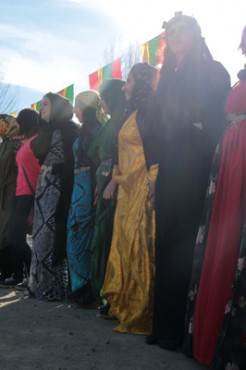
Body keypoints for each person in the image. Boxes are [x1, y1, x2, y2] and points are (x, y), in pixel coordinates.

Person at [184, 16, 246, 369]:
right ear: (241, 43)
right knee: (224, 246)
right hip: (228, 171)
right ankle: (212, 340)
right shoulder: (244, 78)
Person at [149, 13, 231, 351]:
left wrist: (193, 128)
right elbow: (156, 129)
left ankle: (184, 329)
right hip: (170, 167)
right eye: (173, 31)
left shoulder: (213, 70)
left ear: (197, 36)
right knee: (165, 241)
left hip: (198, 164)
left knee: (187, 243)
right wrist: (156, 173)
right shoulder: (165, 78)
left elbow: (218, 120)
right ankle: (162, 324)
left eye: (185, 30)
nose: (178, 35)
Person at [101, 63, 159, 335]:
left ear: (143, 83)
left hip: (142, 189)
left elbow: (156, 150)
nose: (125, 86)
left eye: (130, 81)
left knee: (139, 249)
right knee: (123, 246)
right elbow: (120, 153)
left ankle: (141, 311)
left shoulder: (151, 110)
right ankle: (125, 305)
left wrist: (153, 182)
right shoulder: (131, 113)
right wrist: (114, 179)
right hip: (126, 189)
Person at [28, 92, 78, 301]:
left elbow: (72, 160)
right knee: (39, 236)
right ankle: (37, 284)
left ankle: (54, 288)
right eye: (41, 105)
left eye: (46, 104)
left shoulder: (68, 129)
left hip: (58, 188)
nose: (42, 108)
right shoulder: (47, 131)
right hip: (43, 189)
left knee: (52, 234)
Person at [66, 90, 108, 307]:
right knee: (74, 236)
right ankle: (77, 285)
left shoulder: (96, 130)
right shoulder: (84, 129)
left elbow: (99, 162)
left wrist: (96, 188)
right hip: (78, 186)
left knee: (83, 235)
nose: (74, 110)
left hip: (88, 186)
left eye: (78, 105)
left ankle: (87, 288)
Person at [90, 79, 126, 313]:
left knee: (108, 236)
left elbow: (121, 155)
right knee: (100, 237)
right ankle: (103, 291)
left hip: (115, 182)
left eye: (103, 97)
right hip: (102, 180)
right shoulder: (111, 121)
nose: (100, 102)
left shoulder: (123, 120)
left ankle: (111, 295)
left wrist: (112, 180)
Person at [3, 109, 41, 288]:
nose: (16, 126)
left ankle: (34, 272)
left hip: (28, 193)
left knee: (16, 236)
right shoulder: (25, 141)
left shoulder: (36, 141)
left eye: (18, 122)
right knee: (14, 236)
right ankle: (19, 275)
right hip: (19, 193)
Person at [0, 114, 23, 285]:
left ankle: (12, 270)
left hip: (10, 192)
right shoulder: (3, 145)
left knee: (6, 231)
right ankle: (4, 269)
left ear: (8, 126)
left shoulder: (15, 145)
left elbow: (19, 170)